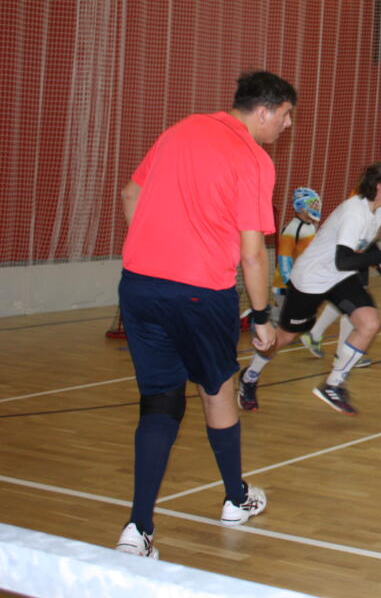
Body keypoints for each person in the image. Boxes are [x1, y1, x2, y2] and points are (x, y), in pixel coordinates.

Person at [115, 71, 293, 558]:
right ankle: (236, 498)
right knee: (218, 391)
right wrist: (261, 316)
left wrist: (157, 250)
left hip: (139, 286)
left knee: (160, 400)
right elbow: (253, 254)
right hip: (200, 293)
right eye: (285, 115)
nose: (287, 125)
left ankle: (138, 529)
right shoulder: (253, 159)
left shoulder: (180, 130)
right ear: (264, 110)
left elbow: (130, 195)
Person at [238, 162, 381, 416]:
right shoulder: (354, 212)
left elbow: (363, 247)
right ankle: (250, 376)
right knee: (285, 337)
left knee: (369, 323)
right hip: (311, 279)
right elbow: (344, 260)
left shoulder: (379, 213)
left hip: (339, 278)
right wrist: (380, 257)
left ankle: (333, 385)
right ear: (380, 186)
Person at [299, 137, 381, 363]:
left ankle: (317, 335)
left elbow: (368, 239)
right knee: (355, 301)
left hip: (356, 252)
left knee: (354, 300)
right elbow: (353, 234)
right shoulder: (366, 194)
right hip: (343, 255)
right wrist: (377, 258)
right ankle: (343, 352)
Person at [271, 187, 322, 320]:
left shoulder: (310, 226)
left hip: (301, 283)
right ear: (302, 206)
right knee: (288, 321)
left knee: (299, 318)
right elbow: (284, 259)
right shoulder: (292, 229)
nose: (316, 207)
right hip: (285, 286)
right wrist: (289, 284)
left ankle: (268, 315)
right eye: (312, 204)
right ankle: (259, 317)